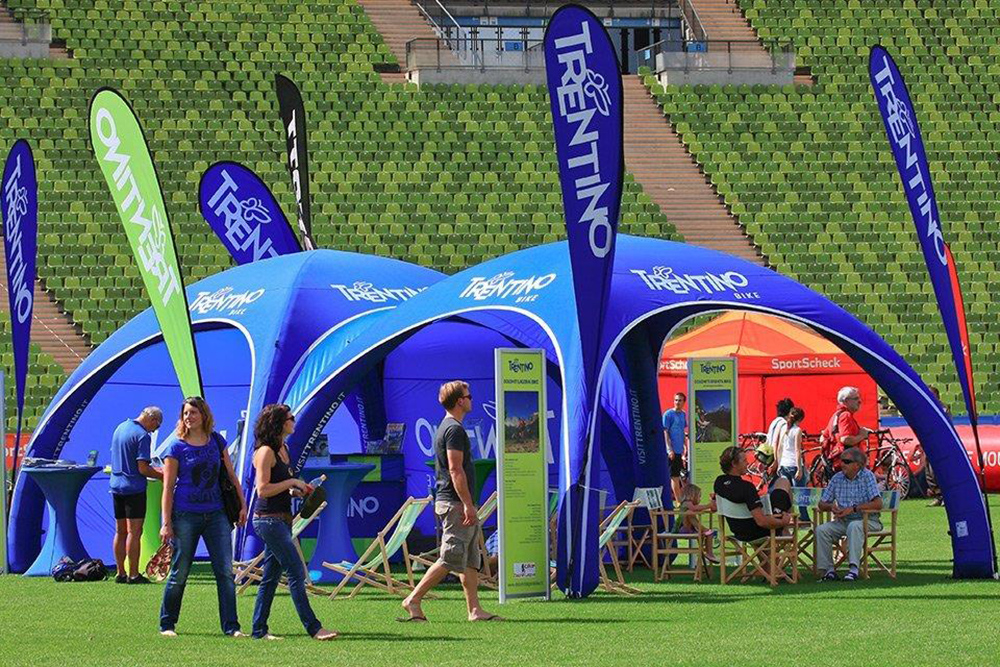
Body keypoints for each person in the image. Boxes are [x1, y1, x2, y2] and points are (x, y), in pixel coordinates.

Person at [400, 381, 500, 623]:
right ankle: (413, 599)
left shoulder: (450, 427)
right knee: (450, 558)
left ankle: (474, 610)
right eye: (469, 396)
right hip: (455, 503)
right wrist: (467, 504)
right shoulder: (453, 430)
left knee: (470, 560)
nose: (472, 400)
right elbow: (455, 469)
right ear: (460, 401)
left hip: (456, 502)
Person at [159, 396, 247, 637]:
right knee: (180, 572)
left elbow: (231, 475)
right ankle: (167, 624)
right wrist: (166, 523)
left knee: (225, 572)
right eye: (186, 413)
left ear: (204, 415)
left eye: (193, 412)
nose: (189, 417)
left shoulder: (216, 441)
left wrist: (242, 505)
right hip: (185, 514)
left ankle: (231, 627)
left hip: (217, 514)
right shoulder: (176, 447)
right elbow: (167, 487)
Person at [250, 404, 336, 641]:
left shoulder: (284, 449)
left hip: (282, 519)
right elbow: (262, 490)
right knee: (297, 572)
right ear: (279, 423)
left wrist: (296, 491)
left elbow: (279, 487)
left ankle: (259, 630)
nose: (294, 421)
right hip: (268, 520)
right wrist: (291, 483)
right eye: (290, 418)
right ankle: (314, 628)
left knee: (270, 578)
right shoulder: (266, 451)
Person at [110, 406, 164, 584]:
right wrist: (163, 475)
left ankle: (120, 572)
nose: (153, 431)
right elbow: (143, 469)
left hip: (116, 486)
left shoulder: (121, 427)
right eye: (156, 427)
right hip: (133, 488)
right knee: (134, 532)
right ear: (153, 419)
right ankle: (133, 574)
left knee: (120, 531)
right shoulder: (142, 436)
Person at [815, 446, 883, 582]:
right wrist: (831, 507)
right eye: (841, 460)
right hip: (843, 521)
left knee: (854, 526)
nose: (842, 464)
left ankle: (853, 569)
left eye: (846, 461)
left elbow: (878, 504)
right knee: (821, 530)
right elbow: (821, 504)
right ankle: (828, 571)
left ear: (857, 465)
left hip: (867, 520)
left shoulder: (867, 476)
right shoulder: (837, 478)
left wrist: (854, 509)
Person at [713, 446, 793, 544]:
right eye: (744, 460)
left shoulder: (719, 482)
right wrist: (783, 522)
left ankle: (769, 552)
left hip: (739, 532)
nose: (747, 463)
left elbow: (714, 506)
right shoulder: (746, 488)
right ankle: (786, 527)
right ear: (734, 464)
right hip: (759, 532)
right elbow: (761, 521)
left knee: (777, 489)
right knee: (783, 481)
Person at [820, 386, 873, 471]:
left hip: (839, 462)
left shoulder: (836, 415)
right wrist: (862, 435)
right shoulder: (846, 415)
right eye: (856, 398)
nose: (860, 401)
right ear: (846, 401)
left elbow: (823, 437)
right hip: (849, 464)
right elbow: (845, 439)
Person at [676, 483, 718, 563]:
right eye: (699, 496)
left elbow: (698, 509)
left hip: (692, 529)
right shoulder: (686, 503)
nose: (700, 499)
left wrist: (712, 506)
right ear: (692, 495)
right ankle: (704, 529)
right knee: (689, 512)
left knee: (710, 534)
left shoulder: (691, 506)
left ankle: (710, 553)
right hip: (683, 529)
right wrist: (708, 506)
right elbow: (694, 508)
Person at [662, 392, 688, 504]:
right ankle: (678, 502)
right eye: (676, 400)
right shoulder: (668, 414)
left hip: (679, 451)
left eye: (680, 400)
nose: (677, 402)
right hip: (672, 452)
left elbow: (682, 431)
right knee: (675, 477)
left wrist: (685, 448)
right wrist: (669, 450)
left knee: (682, 477)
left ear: (684, 402)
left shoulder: (683, 414)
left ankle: (683, 500)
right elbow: (665, 432)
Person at [771, 406, 805, 485]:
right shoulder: (797, 430)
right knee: (798, 491)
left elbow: (779, 447)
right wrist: (799, 469)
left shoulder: (783, 428)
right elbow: (797, 450)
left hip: (784, 464)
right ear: (800, 419)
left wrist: (779, 464)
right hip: (794, 464)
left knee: (786, 489)